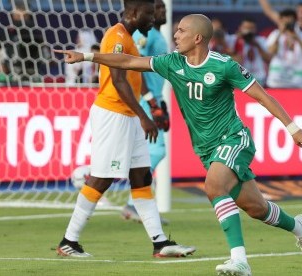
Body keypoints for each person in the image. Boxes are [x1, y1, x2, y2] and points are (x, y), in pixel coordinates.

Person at [55, 13, 302, 276]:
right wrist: (88, 56)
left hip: (234, 138)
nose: (175, 35)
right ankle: (298, 227)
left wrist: (293, 128)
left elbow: (263, 97)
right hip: (205, 148)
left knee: (214, 187)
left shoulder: (224, 66)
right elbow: (128, 61)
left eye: (181, 31)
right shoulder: (172, 63)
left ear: (198, 38)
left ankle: (240, 261)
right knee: (257, 208)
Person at [54, 0, 195, 258]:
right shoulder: (116, 37)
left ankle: (160, 243)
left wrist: (149, 105)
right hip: (114, 114)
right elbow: (118, 81)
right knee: (102, 177)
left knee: (141, 176)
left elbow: (134, 76)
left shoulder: (129, 38)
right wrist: (144, 116)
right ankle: (68, 241)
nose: (152, 19)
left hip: (128, 115)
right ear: (132, 12)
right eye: (149, 14)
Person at [121, 0, 170, 225]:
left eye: (163, 8)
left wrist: (162, 103)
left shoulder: (159, 37)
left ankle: (137, 203)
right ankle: (135, 201)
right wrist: (152, 103)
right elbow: (135, 67)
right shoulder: (147, 37)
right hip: (145, 100)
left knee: (145, 151)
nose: (161, 12)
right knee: (156, 150)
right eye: (157, 9)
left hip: (155, 99)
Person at [0, 1, 50, 84]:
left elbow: (47, 53)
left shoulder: (35, 31)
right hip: (11, 65)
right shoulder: (5, 32)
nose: (21, 19)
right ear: (13, 16)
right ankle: (5, 76)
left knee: (43, 51)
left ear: (28, 16)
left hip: (32, 65)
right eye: (18, 16)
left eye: (24, 16)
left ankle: (35, 75)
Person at [265, 9, 302, 88]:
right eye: (284, 22)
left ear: (295, 22)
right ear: (280, 21)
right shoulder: (275, 34)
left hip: (298, 83)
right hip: (276, 82)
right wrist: (280, 33)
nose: (287, 25)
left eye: (290, 22)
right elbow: (270, 54)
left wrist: (298, 39)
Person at [231, 17, 272, 86]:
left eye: (251, 28)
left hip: (260, 80)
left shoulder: (262, 40)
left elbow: (268, 59)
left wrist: (257, 45)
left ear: (255, 29)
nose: (249, 31)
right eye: (246, 28)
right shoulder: (234, 40)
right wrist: (240, 42)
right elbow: (234, 61)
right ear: (240, 28)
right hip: (241, 80)